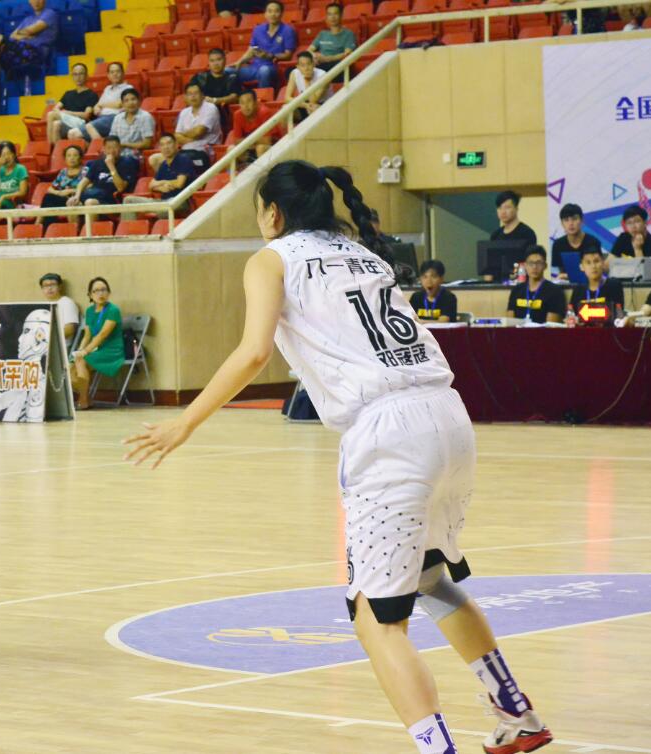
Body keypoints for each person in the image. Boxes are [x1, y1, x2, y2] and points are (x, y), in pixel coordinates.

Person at [123, 159, 553, 754]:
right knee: (431, 577)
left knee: (376, 620)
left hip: (389, 433)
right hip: (448, 416)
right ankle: (518, 714)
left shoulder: (272, 259)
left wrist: (185, 421)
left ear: (273, 213)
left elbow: (253, 352)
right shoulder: (364, 255)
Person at [70, 277, 125, 410]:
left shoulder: (113, 310)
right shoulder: (89, 311)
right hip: (96, 348)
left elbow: (102, 335)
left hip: (112, 350)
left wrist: (85, 352)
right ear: (90, 295)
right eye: (96, 291)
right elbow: (87, 335)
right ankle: (87, 398)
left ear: (109, 292)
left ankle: (83, 400)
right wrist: (79, 350)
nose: (100, 293)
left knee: (81, 362)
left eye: (103, 290)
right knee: (71, 367)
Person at [0, 0, 58, 88]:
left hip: (36, 52)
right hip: (20, 50)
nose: (36, 2)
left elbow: (31, 30)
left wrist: (21, 33)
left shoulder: (50, 14)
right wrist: (25, 35)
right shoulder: (27, 19)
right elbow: (12, 36)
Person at [125, 134, 195, 217]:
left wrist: (163, 182)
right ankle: (128, 226)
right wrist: (161, 187)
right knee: (128, 200)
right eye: (162, 145)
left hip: (179, 201)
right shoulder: (164, 165)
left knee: (163, 209)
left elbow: (179, 184)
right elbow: (151, 185)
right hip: (163, 201)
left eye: (169, 143)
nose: (166, 147)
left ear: (176, 145)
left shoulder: (183, 159)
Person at [232, 1, 297, 88]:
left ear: (281, 14)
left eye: (276, 11)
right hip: (254, 68)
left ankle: (263, 95)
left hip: (273, 68)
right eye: (270, 11)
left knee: (264, 70)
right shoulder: (258, 29)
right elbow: (251, 50)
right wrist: (239, 62)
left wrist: (270, 56)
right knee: (228, 71)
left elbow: (288, 55)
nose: (273, 14)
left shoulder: (288, 30)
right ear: (265, 14)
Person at [161, 82, 221, 173]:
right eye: (190, 94)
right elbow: (177, 136)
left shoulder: (211, 108)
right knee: (156, 159)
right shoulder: (184, 112)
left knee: (182, 162)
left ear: (202, 95)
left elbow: (199, 132)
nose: (193, 96)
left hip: (204, 151)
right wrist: (192, 136)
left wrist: (184, 134)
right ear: (185, 97)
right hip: (185, 151)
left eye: (196, 93)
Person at [69, 136, 139, 207]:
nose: (112, 151)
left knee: (90, 202)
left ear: (120, 148)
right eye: (109, 148)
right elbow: (83, 182)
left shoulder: (128, 163)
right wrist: (77, 196)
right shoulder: (97, 163)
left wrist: (111, 165)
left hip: (112, 199)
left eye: (115, 147)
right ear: (104, 150)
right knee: (71, 203)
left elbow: (120, 188)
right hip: (95, 194)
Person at [505, 246, 566, 323]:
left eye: (539, 263)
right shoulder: (516, 290)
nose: (534, 267)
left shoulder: (555, 291)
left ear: (545, 266)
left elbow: (551, 325)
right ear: (525, 265)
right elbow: (510, 322)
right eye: (531, 263)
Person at [46, 63, 99, 144]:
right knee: (56, 124)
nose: (78, 77)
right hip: (68, 122)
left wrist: (67, 113)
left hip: (81, 123)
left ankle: (48, 146)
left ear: (86, 76)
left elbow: (86, 115)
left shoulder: (91, 94)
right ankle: (57, 150)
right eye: (75, 74)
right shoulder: (68, 94)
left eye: (81, 74)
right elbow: (56, 108)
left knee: (51, 115)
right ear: (72, 77)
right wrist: (63, 113)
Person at [570, 248, 624, 322]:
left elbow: (619, 315)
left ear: (603, 263)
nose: (593, 266)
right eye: (588, 263)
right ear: (581, 267)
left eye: (596, 261)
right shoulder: (578, 290)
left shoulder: (614, 285)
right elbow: (572, 316)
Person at [38, 144, 85, 224]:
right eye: (69, 156)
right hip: (63, 199)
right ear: (65, 159)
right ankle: (49, 226)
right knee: (48, 197)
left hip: (78, 199)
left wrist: (70, 191)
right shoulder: (63, 172)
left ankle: (45, 225)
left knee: (52, 200)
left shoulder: (85, 171)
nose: (72, 158)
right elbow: (50, 189)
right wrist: (60, 193)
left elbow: (90, 187)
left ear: (80, 158)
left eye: (75, 155)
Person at [85, 62, 132, 140]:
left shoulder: (128, 88)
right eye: (112, 72)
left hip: (115, 118)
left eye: (117, 71)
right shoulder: (107, 89)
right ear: (108, 76)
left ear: (123, 73)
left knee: (89, 126)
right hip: (101, 118)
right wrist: (96, 107)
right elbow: (98, 104)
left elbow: (119, 104)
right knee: (73, 133)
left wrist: (101, 105)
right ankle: (99, 145)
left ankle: (103, 146)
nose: (115, 74)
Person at [107, 88, 155, 160]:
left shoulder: (145, 117)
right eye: (126, 100)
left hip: (136, 156)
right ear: (122, 104)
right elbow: (112, 139)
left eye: (133, 99)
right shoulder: (117, 118)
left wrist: (124, 144)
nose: (130, 103)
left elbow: (147, 144)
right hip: (118, 155)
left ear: (139, 101)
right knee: (93, 163)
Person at [285, 51, 330, 124]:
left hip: (325, 104)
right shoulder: (294, 73)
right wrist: (305, 105)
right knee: (285, 110)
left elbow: (313, 101)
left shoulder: (323, 75)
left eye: (309, 64)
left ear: (313, 64)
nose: (306, 68)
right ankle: (292, 131)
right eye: (302, 65)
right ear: (298, 66)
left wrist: (307, 82)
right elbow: (287, 98)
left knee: (313, 109)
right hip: (306, 103)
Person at [309, 3, 356, 71]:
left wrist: (327, 59)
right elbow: (309, 50)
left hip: (337, 66)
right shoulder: (322, 34)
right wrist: (314, 56)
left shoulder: (348, 34)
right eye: (329, 14)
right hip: (320, 64)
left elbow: (347, 54)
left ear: (341, 15)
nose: (332, 17)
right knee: (294, 69)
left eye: (335, 14)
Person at [227, 89, 271, 162]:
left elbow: (267, 141)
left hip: (272, 147)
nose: (246, 106)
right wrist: (255, 141)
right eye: (242, 103)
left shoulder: (265, 113)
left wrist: (247, 141)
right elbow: (237, 141)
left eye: (249, 101)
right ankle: (234, 170)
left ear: (256, 102)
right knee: (231, 149)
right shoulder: (237, 115)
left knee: (260, 148)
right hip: (250, 149)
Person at [39, 273, 81, 343]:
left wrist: (48, 339)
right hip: (43, 343)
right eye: (46, 286)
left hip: (60, 345)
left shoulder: (67, 302)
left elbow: (70, 329)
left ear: (60, 287)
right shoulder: (43, 305)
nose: (49, 288)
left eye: (53, 284)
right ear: (42, 289)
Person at [0, 141, 30, 209]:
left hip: (12, 203)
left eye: (9, 153)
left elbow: (23, 192)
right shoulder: (0, 169)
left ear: (14, 155)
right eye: (3, 155)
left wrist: (4, 196)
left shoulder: (20, 169)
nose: (6, 157)